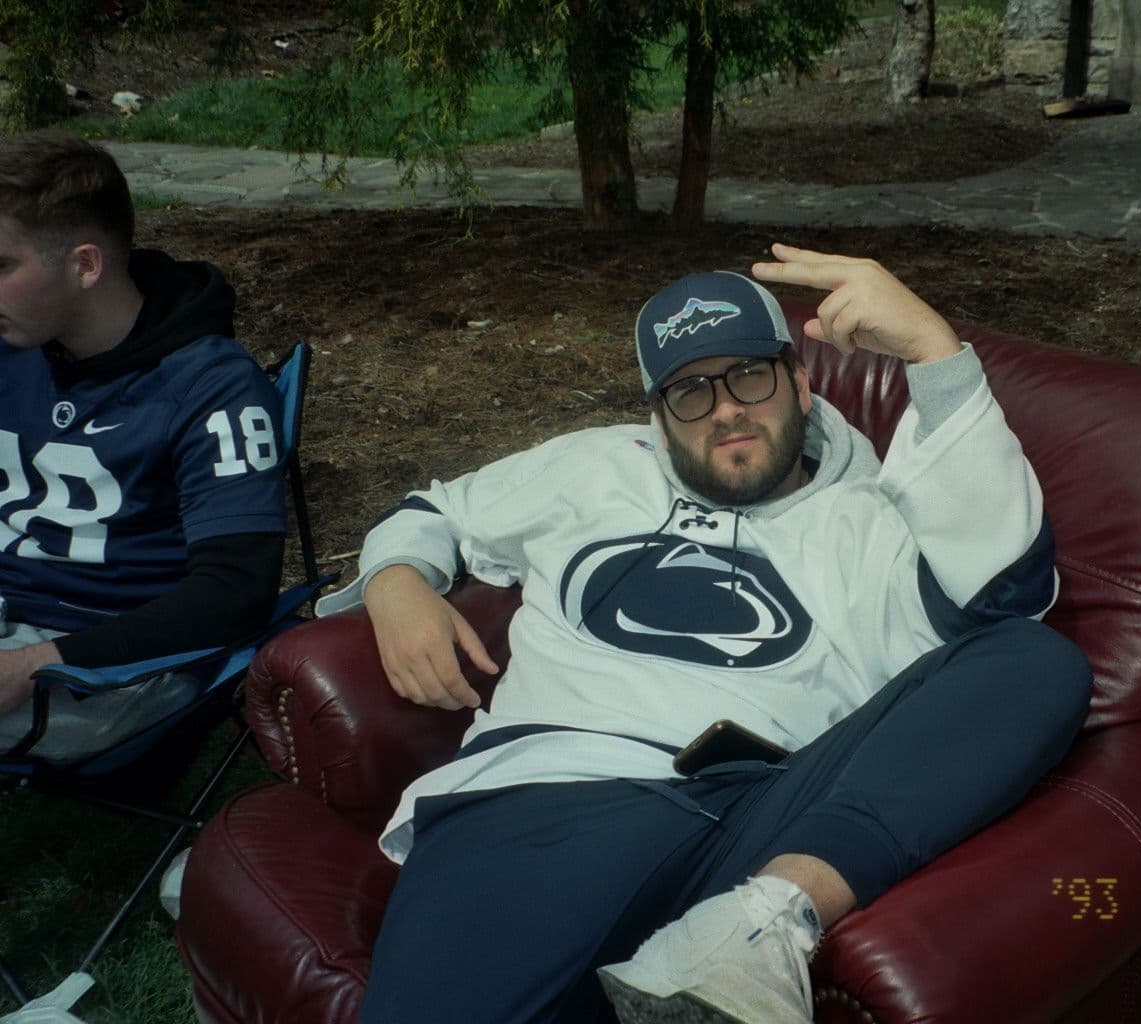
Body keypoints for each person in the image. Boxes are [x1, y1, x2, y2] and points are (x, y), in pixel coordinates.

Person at [319, 244, 1093, 1024]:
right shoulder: (594, 466)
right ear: (660, 419)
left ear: (800, 382)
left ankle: (760, 925)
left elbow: (1004, 599)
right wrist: (396, 583)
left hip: (761, 820)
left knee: (1036, 662)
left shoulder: (869, 517)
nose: (725, 410)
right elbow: (434, 510)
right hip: (554, 798)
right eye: (690, 391)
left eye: (749, 375)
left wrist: (935, 353)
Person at [0, 131, 287, 762]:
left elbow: (236, 591)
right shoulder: (17, 350)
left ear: (85, 265)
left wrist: (37, 661)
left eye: (2, 267)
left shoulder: (211, 388)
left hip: (112, 665)